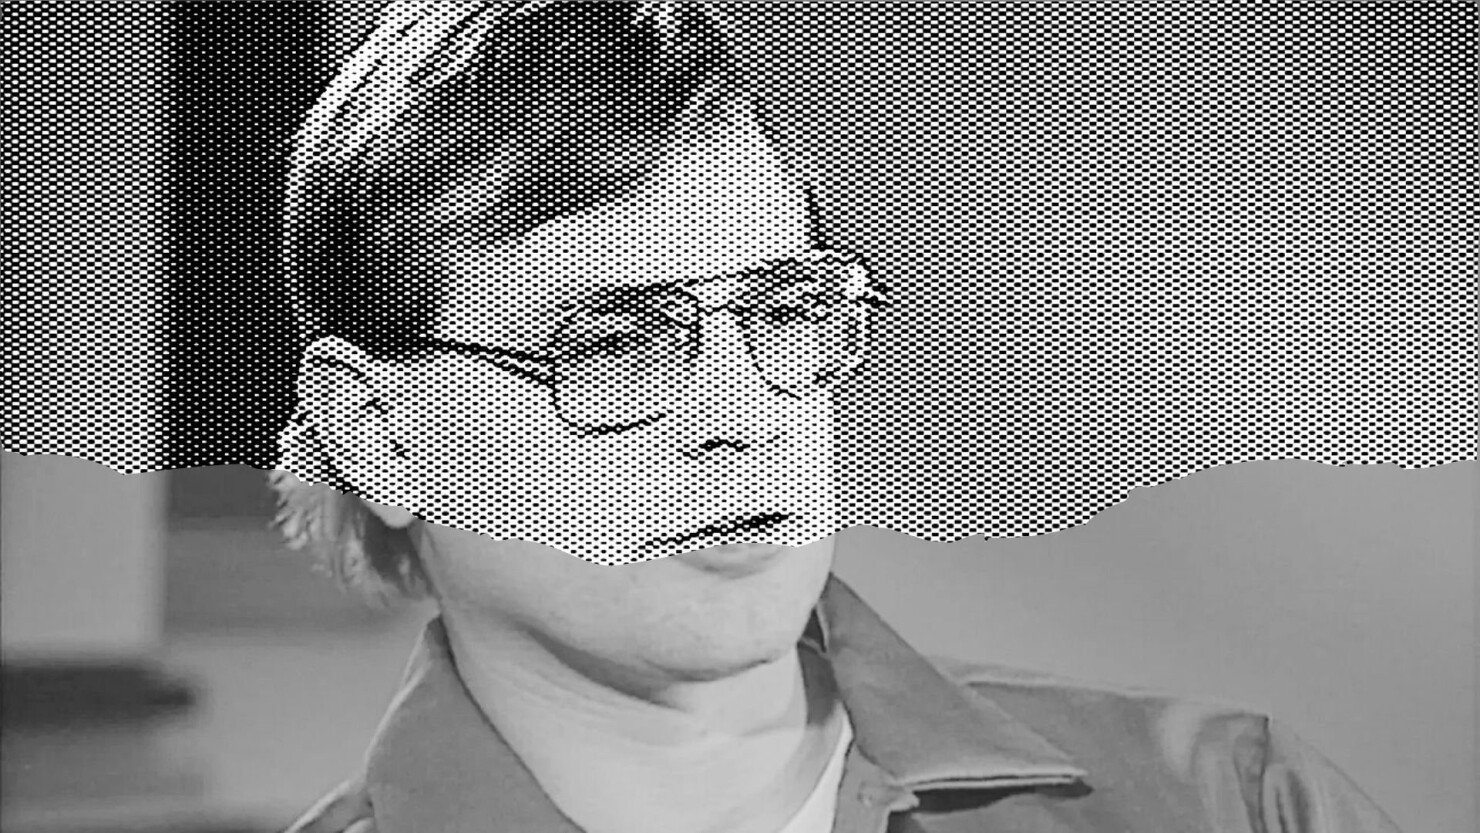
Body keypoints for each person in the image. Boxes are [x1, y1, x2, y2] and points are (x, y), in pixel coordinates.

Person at [270, 3, 1403, 831]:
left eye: (782, 311)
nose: (743, 412)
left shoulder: (1230, 802)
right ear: (379, 431)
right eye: (615, 343)